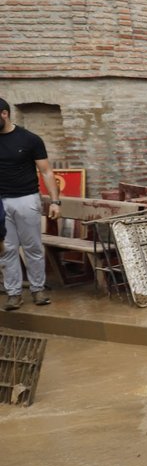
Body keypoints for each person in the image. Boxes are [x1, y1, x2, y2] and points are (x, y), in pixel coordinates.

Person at [0, 97, 60, 310]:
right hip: (0, 203)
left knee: (32, 246)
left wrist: (55, 201)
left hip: (26, 199)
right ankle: (14, 293)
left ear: (4, 114)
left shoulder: (29, 139)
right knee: (6, 249)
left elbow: (46, 171)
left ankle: (38, 289)